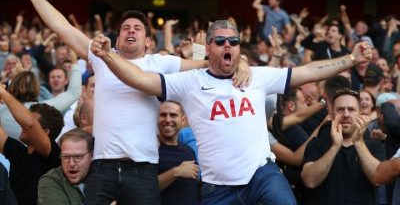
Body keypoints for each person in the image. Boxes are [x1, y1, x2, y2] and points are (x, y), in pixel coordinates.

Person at [16, 0, 250, 204]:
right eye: (125, 28)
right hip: (102, 167)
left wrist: (242, 62)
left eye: (137, 28)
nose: (130, 31)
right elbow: (62, 27)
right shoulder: (102, 56)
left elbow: (212, 64)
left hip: (143, 170)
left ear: (149, 41)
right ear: (117, 40)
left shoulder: (159, 62)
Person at [90, 19, 372, 204]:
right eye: (221, 42)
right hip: (218, 189)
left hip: (262, 175)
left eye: (234, 42)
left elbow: (308, 71)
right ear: (208, 48)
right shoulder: (190, 82)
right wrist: (106, 56)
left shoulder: (257, 77)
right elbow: (140, 79)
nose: (228, 46)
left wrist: (351, 58)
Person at [301, 88, 386, 205]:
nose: (346, 115)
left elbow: (377, 180)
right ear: (332, 114)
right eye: (340, 110)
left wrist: (359, 143)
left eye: (351, 109)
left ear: (360, 113)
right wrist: (335, 147)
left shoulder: (375, 146)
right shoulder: (316, 144)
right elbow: (309, 181)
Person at [0, 85, 64, 205]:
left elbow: (30, 124)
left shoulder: (54, 154)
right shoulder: (18, 151)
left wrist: (4, 93)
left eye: (24, 121)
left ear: (45, 133)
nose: (21, 124)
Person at [157, 101, 200, 205]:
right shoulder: (150, 151)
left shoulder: (188, 151)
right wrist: (176, 172)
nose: (167, 120)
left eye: (173, 115)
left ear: (183, 120)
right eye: (163, 115)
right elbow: (143, 189)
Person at [38, 128, 94, 205]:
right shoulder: (51, 181)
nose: (71, 163)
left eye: (78, 157)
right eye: (66, 157)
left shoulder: (104, 176)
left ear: (91, 156)